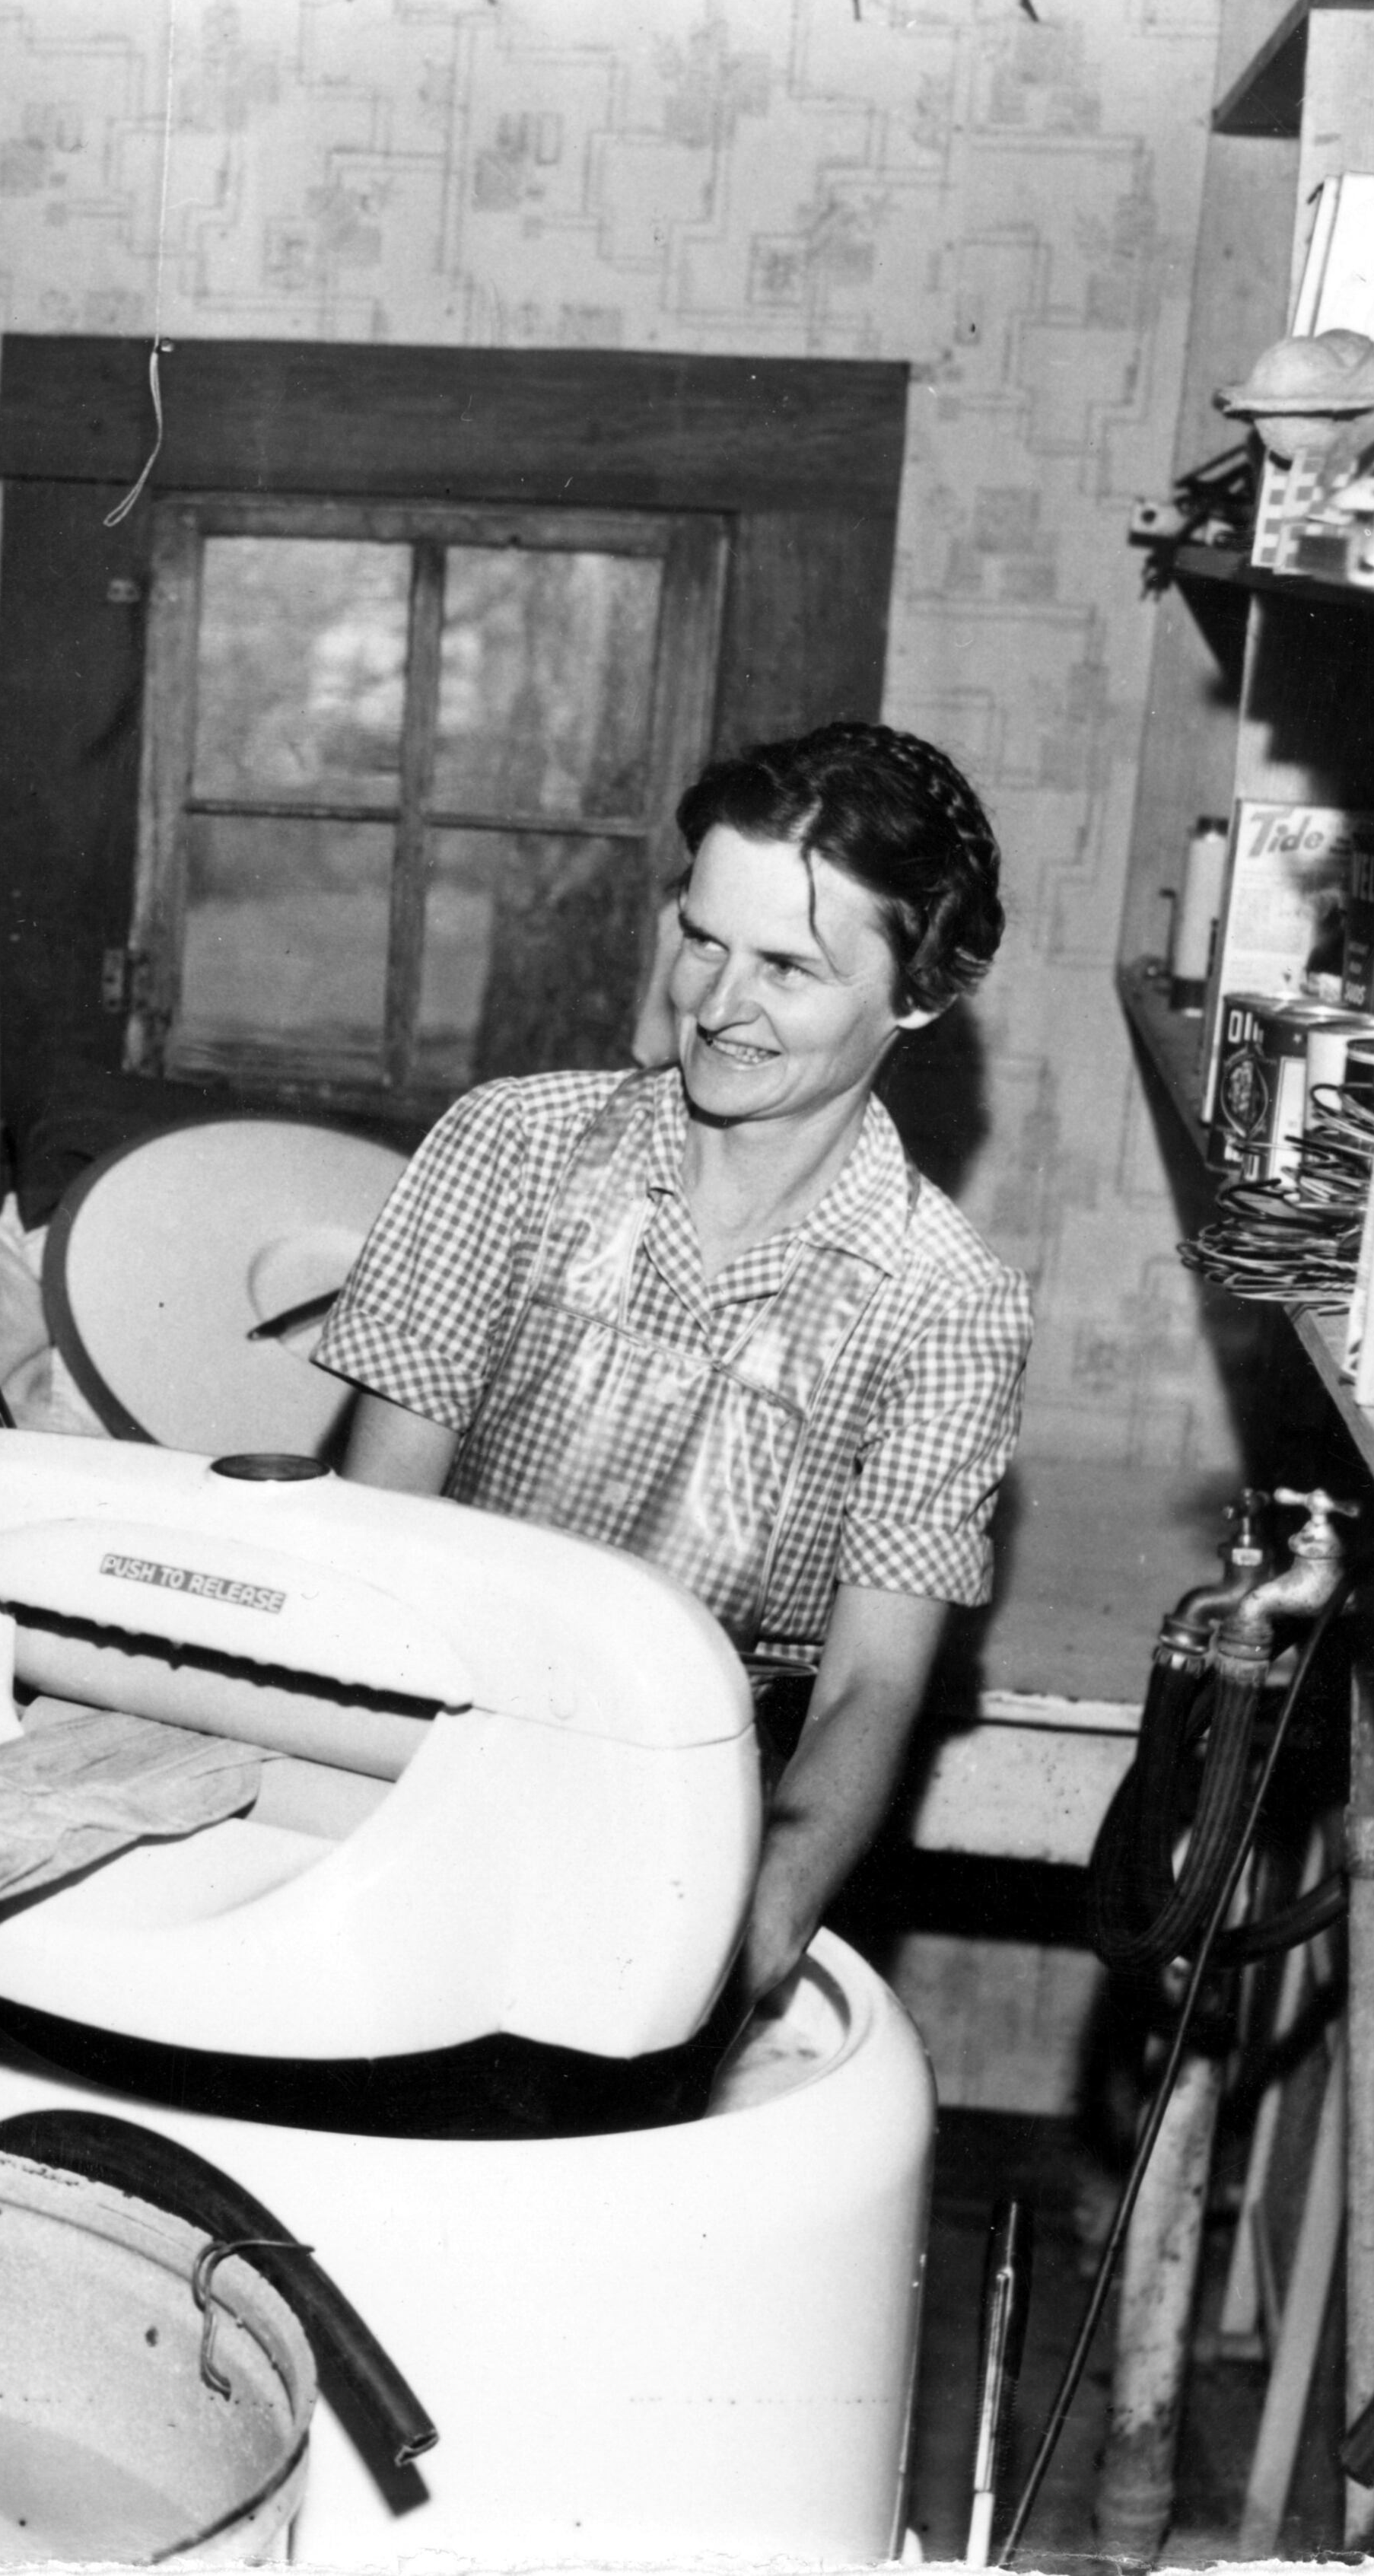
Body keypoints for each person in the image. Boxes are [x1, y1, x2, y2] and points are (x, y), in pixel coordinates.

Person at [315, 721, 1031, 2007]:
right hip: (424, 1737)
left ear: (920, 992)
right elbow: (374, 1552)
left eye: (788, 970)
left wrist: (762, 1912)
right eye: (703, 939)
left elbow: (872, 1687)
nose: (715, 1005)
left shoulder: (947, 1304)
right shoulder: (508, 1152)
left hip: (701, 1796)